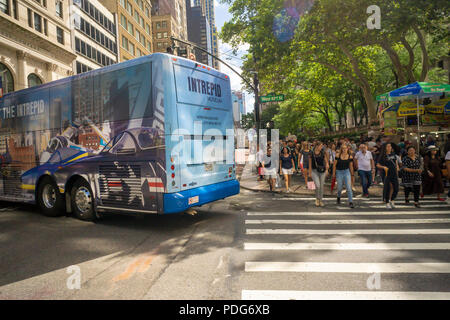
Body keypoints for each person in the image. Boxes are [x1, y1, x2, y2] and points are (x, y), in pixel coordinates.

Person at [377, 143, 400, 209]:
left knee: (396, 188)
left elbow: (395, 163)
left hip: (394, 173)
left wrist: (397, 168)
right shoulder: (382, 156)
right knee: (388, 188)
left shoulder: (393, 154)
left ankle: (392, 200)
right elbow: (378, 165)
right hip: (386, 173)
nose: (389, 147)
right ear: (385, 148)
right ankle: (387, 202)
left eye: (390, 146)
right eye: (388, 146)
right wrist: (383, 167)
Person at [332, 143, 354, 208]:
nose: (344, 150)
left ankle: (351, 202)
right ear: (341, 149)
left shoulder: (350, 156)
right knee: (339, 187)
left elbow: (351, 166)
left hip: (346, 171)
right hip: (339, 172)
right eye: (343, 148)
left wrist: (352, 174)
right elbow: (334, 165)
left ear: (347, 149)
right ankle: (338, 197)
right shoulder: (338, 155)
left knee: (348, 187)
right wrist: (333, 174)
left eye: (345, 148)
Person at [309, 141, 329, 207]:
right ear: (317, 146)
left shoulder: (323, 152)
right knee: (317, 185)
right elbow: (309, 163)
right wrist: (309, 172)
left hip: (322, 171)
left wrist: (327, 170)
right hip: (314, 171)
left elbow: (326, 162)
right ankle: (317, 199)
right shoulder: (311, 153)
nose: (321, 147)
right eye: (321, 146)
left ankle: (320, 200)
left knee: (321, 186)